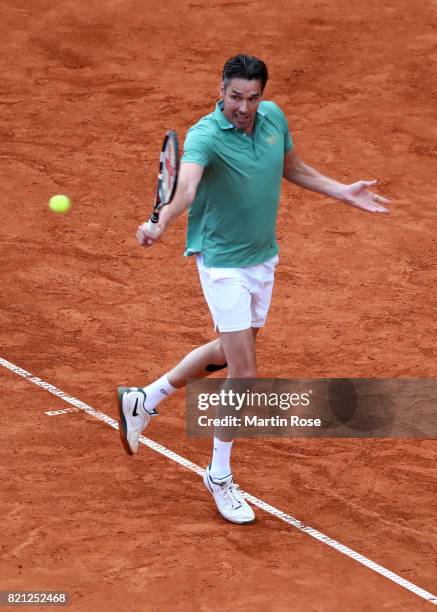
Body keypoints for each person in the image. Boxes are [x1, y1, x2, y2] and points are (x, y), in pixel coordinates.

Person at [118, 54, 390, 525]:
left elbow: (294, 168)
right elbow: (183, 190)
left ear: (262, 95)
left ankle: (144, 399)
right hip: (222, 262)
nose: (243, 107)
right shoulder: (205, 136)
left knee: (226, 352)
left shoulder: (273, 118)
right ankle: (218, 475)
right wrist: (158, 225)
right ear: (220, 90)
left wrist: (342, 190)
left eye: (252, 97)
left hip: (262, 257)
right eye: (235, 97)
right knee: (244, 370)